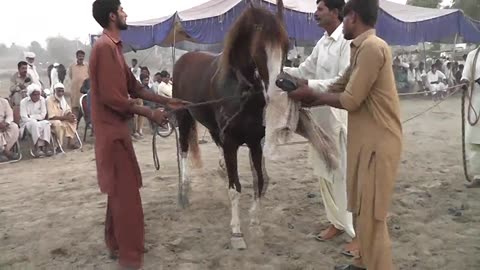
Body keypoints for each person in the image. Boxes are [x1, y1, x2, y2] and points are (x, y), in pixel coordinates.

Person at [286, 0, 402, 269]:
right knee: (361, 206)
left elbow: (350, 98)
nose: (317, 14)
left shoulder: (373, 48)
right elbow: (340, 82)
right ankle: (362, 262)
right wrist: (307, 93)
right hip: (364, 141)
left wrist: (312, 93)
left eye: (344, 16)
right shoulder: (359, 47)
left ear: (351, 17)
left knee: (373, 216)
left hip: (378, 142)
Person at [90, 1, 189, 269]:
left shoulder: (113, 47)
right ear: (112, 16)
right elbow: (114, 99)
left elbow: (134, 87)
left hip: (116, 131)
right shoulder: (104, 48)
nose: (126, 13)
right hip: (113, 135)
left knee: (118, 191)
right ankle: (130, 258)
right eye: (122, 9)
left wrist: (167, 102)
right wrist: (150, 114)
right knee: (127, 195)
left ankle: (114, 243)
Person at [282, 0, 356, 255]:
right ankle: (336, 222)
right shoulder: (322, 43)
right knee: (324, 173)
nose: (315, 13)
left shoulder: (347, 43)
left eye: (320, 9)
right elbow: (304, 70)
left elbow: (342, 81)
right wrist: (276, 71)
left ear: (335, 12)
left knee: (342, 175)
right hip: (318, 120)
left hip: (339, 117)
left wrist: (308, 85)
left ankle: (354, 231)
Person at [461, 46, 480, 188]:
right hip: (476, 103)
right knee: (474, 140)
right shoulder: (473, 55)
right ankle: (478, 176)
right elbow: (466, 75)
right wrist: (464, 82)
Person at [20, 84, 53, 157]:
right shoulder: (23, 102)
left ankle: (47, 147)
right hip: (27, 124)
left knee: (46, 123)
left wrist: (31, 116)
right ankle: (37, 148)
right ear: (30, 95)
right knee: (34, 123)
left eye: (38, 94)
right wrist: (34, 118)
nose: (37, 96)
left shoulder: (42, 100)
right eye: (35, 95)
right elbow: (24, 117)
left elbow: (43, 115)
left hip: (39, 121)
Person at [46, 83, 79, 150]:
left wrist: (70, 115)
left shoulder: (62, 99)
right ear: (54, 91)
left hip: (62, 118)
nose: (61, 93)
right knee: (58, 123)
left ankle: (70, 142)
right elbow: (51, 116)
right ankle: (59, 145)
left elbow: (67, 110)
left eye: (62, 91)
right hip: (52, 120)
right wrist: (66, 118)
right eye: (59, 91)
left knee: (73, 120)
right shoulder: (49, 100)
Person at [68, 50, 89, 125]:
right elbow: (71, 76)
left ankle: (91, 127)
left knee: (87, 109)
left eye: (82, 56)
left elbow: (89, 77)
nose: (81, 58)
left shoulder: (87, 65)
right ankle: (74, 127)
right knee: (75, 109)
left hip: (85, 91)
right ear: (76, 57)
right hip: (75, 91)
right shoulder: (72, 66)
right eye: (79, 56)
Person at [0, 98, 20, 162]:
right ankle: (5, 152)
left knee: (14, 127)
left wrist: (6, 123)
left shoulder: (3, 101)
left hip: (3, 123)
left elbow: (10, 115)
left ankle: (4, 151)